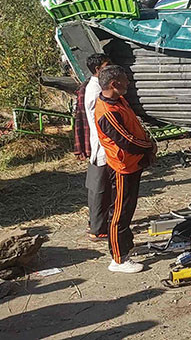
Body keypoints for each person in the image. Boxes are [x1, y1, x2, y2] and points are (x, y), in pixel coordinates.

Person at [94, 65, 156, 273]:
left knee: (128, 210)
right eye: (125, 80)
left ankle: (126, 247)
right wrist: (148, 146)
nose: (129, 83)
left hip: (133, 163)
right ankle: (118, 259)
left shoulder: (119, 101)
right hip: (122, 167)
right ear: (114, 84)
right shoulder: (107, 112)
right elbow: (126, 141)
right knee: (119, 214)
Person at [78, 53, 113, 241]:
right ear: (98, 69)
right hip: (102, 144)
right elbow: (100, 120)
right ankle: (98, 229)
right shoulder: (95, 90)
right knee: (100, 187)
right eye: (107, 66)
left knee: (97, 186)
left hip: (100, 143)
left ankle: (96, 223)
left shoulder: (97, 87)